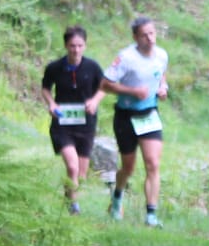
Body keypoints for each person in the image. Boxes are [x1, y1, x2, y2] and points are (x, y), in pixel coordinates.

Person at [104, 14, 170, 226]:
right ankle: (117, 197)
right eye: (144, 35)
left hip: (149, 114)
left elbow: (161, 74)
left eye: (152, 33)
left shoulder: (162, 55)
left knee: (153, 163)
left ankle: (151, 216)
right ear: (135, 37)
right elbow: (105, 84)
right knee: (128, 167)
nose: (150, 39)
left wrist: (163, 87)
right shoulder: (126, 58)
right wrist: (132, 91)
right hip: (125, 116)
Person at [39, 26, 106, 214]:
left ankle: (68, 198)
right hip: (63, 124)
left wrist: (95, 101)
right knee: (72, 166)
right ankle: (73, 207)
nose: (76, 50)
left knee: (81, 175)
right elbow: (45, 88)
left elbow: (104, 87)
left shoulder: (92, 67)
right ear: (65, 46)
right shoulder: (54, 67)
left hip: (86, 125)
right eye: (72, 46)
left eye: (80, 46)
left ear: (85, 46)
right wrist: (51, 103)